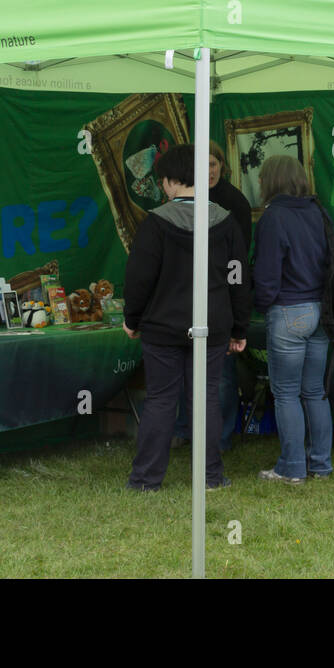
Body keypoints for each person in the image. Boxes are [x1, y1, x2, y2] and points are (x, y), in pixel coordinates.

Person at [123, 143, 250, 492]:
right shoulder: (226, 222)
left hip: (162, 328)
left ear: (167, 182)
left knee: (161, 399)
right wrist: (240, 326)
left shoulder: (155, 224)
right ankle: (210, 477)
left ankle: (146, 480)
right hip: (212, 326)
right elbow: (238, 277)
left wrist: (131, 319)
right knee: (205, 397)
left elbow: (138, 278)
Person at [251, 154, 330, 485]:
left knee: (285, 394)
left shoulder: (273, 217)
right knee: (314, 392)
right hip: (321, 313)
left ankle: (292, 468)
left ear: (271, 181)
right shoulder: (318, 212)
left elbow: (267, 275)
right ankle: (321, 466)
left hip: (288, 312)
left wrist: (259, 305)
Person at [172, 141, 253, 451]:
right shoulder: (185, 200)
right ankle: (185, 429)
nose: (208, 171)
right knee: (184, 366)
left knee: (222, 372)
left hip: (221, 294)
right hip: (185, 295)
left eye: (213, 164)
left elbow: (239, 259)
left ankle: (219, 439)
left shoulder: (236, 203)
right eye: (202, 165)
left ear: (222, 165)